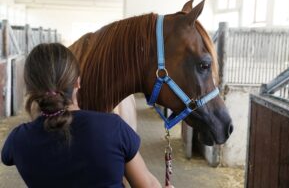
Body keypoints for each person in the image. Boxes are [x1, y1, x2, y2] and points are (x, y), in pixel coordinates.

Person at [1, 43, 171, 188]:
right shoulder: (112, 128)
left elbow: (7, 156)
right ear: (77, 82)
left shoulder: (18, 140)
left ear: (30, 89)